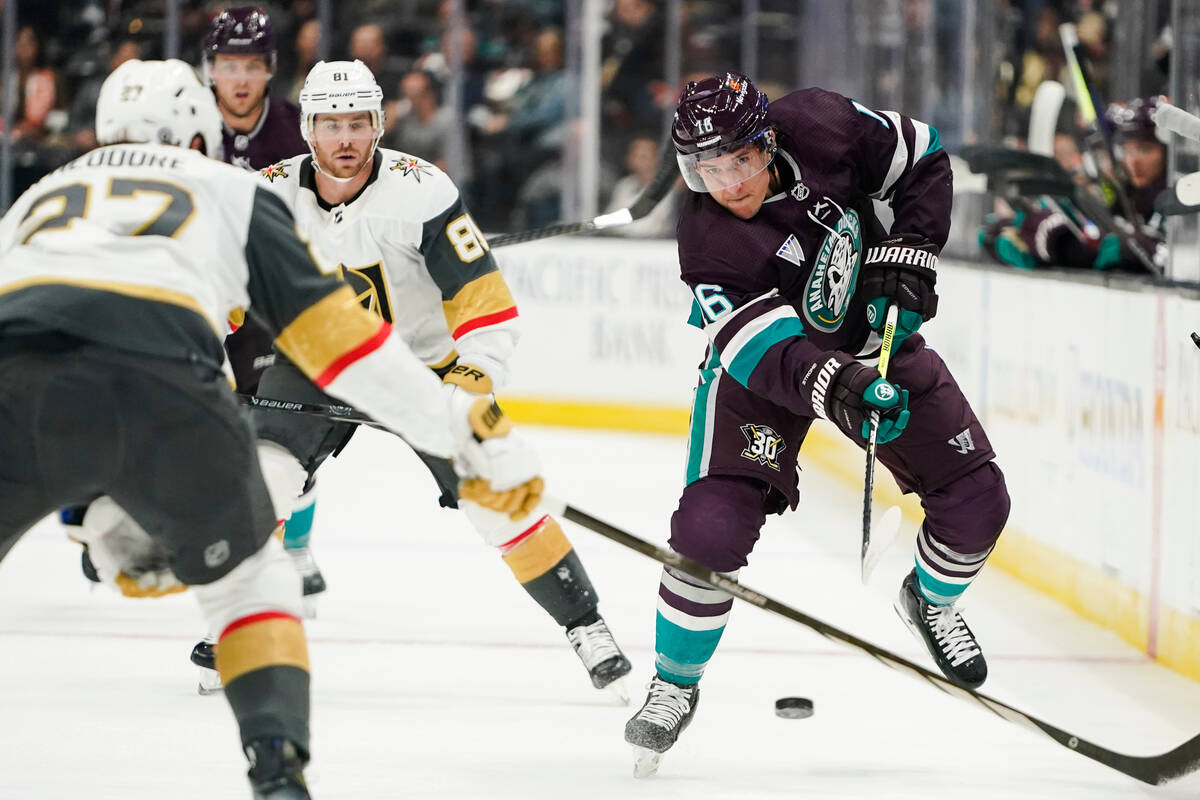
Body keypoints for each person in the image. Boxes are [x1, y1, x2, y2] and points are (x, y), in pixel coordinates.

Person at [0, 58, 540, 800]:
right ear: (200, 137)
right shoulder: (235, 190)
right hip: (160, 381)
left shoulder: (37, 195)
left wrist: (78, 502)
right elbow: (346, 348)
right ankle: (277, 771)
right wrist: (465, 434)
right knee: (252, 577)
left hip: (15, 386)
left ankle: (93, 512)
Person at [201, 58, 633, 699]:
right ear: (307, 132)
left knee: (496, 492)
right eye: (329, 125)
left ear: (377, 123)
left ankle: (585, 623)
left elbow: (484, 305)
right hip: (316, 362)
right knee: (265, 478)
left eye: (356, 123)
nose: (344, 139)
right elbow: (221, 294)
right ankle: (238, 625)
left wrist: (473, 383)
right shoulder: (266, 197)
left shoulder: (423, 190)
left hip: (422, 368)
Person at [622, 73, 1011, 776]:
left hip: (872, 342)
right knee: (709, 530)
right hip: (766, 378)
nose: (726, 183)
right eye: (705, 169)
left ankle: (929, 600)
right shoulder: (708, 240)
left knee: (981, 502)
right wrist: (841, 385)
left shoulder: (825, 124)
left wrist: (911, 257)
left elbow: (922, 155)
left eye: (738, 161)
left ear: (768, 142)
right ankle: (674, 685)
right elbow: (759, 350)